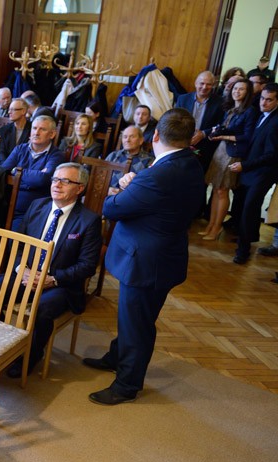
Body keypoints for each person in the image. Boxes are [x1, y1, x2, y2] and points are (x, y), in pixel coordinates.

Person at [83, 108, 205, 405]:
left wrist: (126, 186)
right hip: (166, 255)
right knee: (135, 318)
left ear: (155, 136)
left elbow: (111, 209)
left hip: (145, 263)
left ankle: (126, 385)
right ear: (189, 139)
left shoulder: (155, 176)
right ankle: (116, 357)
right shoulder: (192, 164)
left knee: (137, 324)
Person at [0, 163, 101, 377]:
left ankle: (31, 355)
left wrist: (52, 279)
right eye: (55, 179)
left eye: (66, 181)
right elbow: (17, 244)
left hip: (60, 283)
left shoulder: (89, 221)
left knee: (43, 310)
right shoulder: (37, 206)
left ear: (80, 188)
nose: (57, 184)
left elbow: (87, 266)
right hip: (27, 274)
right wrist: (22, 268)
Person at [199, 79, 257, 241]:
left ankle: (217, 227)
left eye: (241, 89)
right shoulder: (230, 108)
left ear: (247, 93)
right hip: (221, 149)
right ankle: (210, 225)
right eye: (235, 88)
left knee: (222, 190)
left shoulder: (249, 111)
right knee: (216, 188)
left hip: (233, 152)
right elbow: (222, 127)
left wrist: (223, 136)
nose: (236, 91)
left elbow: (248, 136)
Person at [228, 83, 278, 264]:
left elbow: (272, 154)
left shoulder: (276, 121)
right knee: (244, 208)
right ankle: (245, 240)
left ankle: (243, 250)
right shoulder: (261, 115)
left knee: (249, 208)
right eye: (262, 98)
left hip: (263, 172)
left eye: (269, 100)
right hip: (251, 170)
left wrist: (245, 165)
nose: (263, 103)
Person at [0, 115, 67, 230]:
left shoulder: (56, 155)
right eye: (34, 128)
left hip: (32, 211)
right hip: (6, 205)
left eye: (42, 129)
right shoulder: (20, 149)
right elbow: (2, 171)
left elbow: (42, 179)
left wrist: (16, 171)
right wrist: (34, 176)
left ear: (52, 134)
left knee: (13, 242)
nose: (37, 132)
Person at [174, 71, 225, 172]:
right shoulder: (183, 99)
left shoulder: (221, 103)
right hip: (181, 146)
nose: (204, 87)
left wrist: (203, 134)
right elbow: (175, 120)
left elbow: (222, 125)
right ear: (196, 83)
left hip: (205, 148)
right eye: (202, 83)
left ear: (213, 85)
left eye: (209, 84)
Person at [105, 126, 155, 194]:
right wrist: (106, 189)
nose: (127, 140)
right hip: (106, 195)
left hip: (130, 199)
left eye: (132, 137)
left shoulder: (149, 160)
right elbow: (100, 177)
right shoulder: (113, 156)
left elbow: (145, 186)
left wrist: (122, 193)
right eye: (125, 137)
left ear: (141, 140)